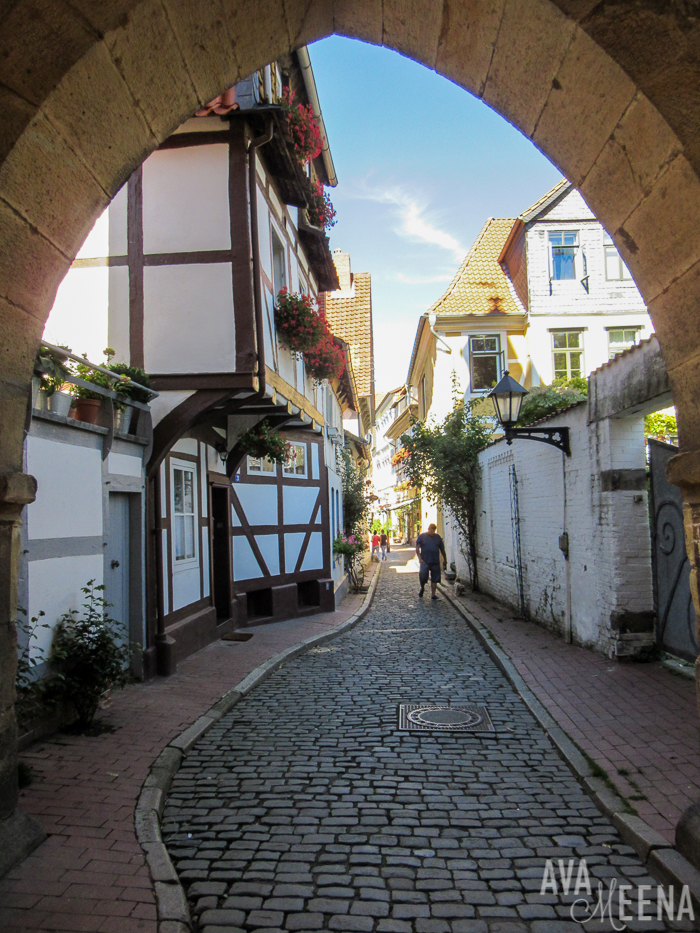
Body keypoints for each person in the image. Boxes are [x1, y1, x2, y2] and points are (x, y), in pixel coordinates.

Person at [415, 523, 447, 600]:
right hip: (425, 561)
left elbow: (442, 549)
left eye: (433, 531)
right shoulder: (422, 537)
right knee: (423, 577)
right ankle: (422, 588)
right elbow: (417, 547)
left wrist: (445, 559)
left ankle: (433, 595)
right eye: (431, 531)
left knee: (435, 579)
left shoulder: (437, 538)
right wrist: (419, 557)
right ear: (428, 529)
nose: (432, 533)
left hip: (435, 561)